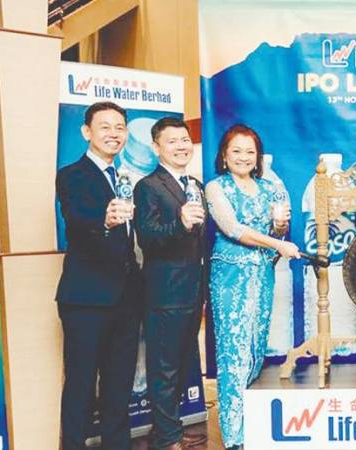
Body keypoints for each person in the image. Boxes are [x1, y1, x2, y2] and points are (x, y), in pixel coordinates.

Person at [205, 124, 300, 450]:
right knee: (233, 355)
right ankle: (234, 439)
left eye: (250, 152)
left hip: (262, 276)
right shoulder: (216, 188)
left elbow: (278, 230)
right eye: (236, 151)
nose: (243, 157)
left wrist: (280, 225)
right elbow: (233, 229)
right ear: (224, 155)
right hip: (230, 278)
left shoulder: (268, 187)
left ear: (257, 157)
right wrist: (276, 242)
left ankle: (252, 429)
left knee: (255, 352)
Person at [55, 101, 141, 450]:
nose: (114, 134)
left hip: (126, 297)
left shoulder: (123, 179)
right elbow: (76, 221)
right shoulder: (71, 175)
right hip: (86, 298)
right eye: (105, 127)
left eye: (120, 127)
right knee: (80, 384)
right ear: (86, 132)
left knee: (119, 384)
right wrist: (104, 221)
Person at [134, 117, 208, 450]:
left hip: (193, 290)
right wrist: (179, 223)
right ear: (156, 147)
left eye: (185, 140)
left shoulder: (195, 184)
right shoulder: (148, 186)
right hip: (165, 292)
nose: (181, 146)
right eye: (172, 141)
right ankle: (167, 438)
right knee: (163, 367)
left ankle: (170, 429)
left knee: (180, 363)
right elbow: (148, 239)